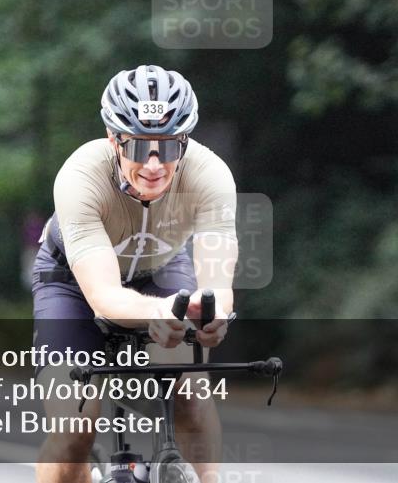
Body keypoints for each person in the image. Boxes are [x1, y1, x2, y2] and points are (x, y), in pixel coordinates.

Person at [33, 65, 238, 483]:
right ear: (114, 138)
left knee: (190, 392)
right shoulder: (80, 176)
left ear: (185, 140)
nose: (154, 164)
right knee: (74, 427)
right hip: (70, 283)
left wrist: (211, 315)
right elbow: (103, 296)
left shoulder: (210, 175)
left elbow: (217, 282)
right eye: (140, 146)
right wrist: (158, 311)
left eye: (169, 146)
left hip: (162, 270)